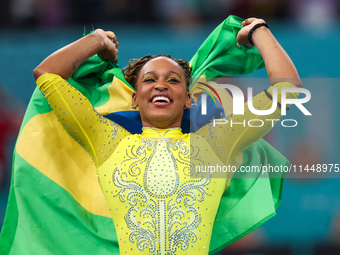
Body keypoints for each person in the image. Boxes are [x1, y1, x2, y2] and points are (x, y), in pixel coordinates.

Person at [32, 17, 302, 254]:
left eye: (173, 80)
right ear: (135, 99)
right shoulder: (107, 141)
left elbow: (288, 90)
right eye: (150, 79)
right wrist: (97, 39)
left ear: (187, 99)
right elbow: (47, 74)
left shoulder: (217, 143)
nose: (161, 84)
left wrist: (258, 29)